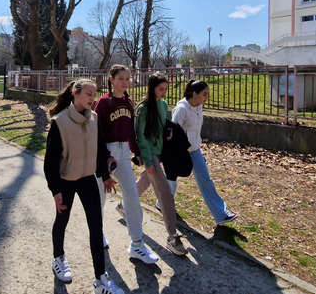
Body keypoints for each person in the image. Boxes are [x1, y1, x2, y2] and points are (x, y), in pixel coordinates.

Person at [44, 78, 125, 294]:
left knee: (96, 227)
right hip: (66, 181)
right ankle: (58, 258)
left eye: (95, 94)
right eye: (89, 94)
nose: (93, 98)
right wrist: (55, 190)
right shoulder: (60, 122)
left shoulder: (95, 119)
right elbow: (49, 162)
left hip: (88, 179)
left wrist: (106, 176)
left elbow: (99, 150)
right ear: (76, 94)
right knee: (62, 220)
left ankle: (100, 280)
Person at [93, 65, 160, 264]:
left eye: (127, 78)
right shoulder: (103, 103)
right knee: (100, 198)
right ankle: (98, 233)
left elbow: (130, 130)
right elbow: (97, 133)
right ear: (111, 79)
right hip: (105, 152)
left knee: (131, 195)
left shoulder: (128, 101)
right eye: (121, 78)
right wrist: (104, 156)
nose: (125, 82)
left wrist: (137, 151)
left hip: (123, 153)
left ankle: (137, 244)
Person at [133, 72, 189, 256]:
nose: (164, 92)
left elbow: (162, 124)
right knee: (165, 192)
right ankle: (172, 236)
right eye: (160, 89)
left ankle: (125, 206)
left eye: (166, 89)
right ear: (152, 88)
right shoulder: (143, 109)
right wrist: (147, 160)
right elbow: (140, 136)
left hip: (161, 151)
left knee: (145, 181)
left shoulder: (163, 105)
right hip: (150, 154)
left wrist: (168, 134)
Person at [171, 80, 239, 226]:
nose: (206, 97)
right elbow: (173, 131)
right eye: (204, 94)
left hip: (195, 151)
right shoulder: (181, 109)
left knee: (205, 181)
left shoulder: (199, 106)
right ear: (194, 94)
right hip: (180, 152)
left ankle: (221, 214)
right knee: (171, 180)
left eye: (207, 94)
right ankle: (163, 203)